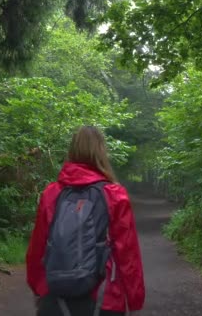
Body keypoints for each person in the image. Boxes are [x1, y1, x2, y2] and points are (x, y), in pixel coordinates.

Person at [26, 126, 145, 316]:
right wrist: (134, 299)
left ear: (72, 150)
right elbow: (128, 254)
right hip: (105, 298)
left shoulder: (52, 193)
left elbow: (38, 247)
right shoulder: (114, 194)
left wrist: (39, 287)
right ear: (101, 152)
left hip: (56, 296)